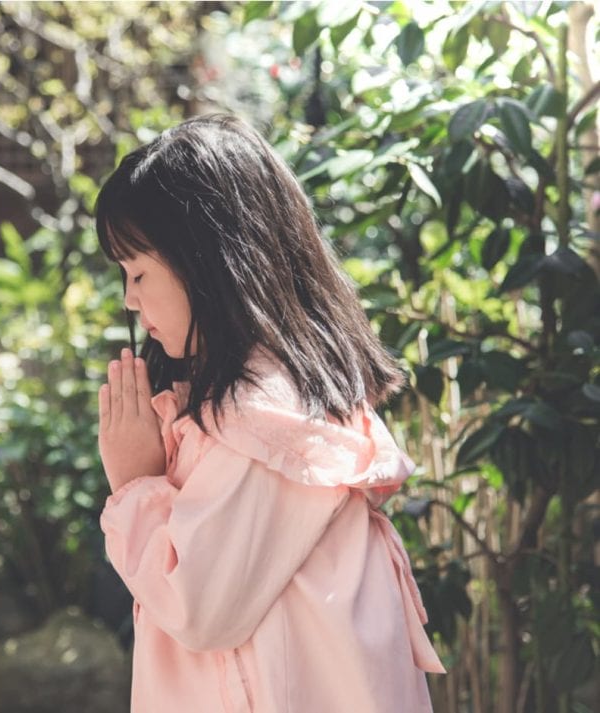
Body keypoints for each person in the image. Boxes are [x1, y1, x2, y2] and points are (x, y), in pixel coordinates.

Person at [94, 114, 445, 713]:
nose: (129, 298)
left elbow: (197, 607)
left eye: (139, 272)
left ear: (204, 260)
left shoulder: (263, 418)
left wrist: (134, 485)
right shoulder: (271, 399)